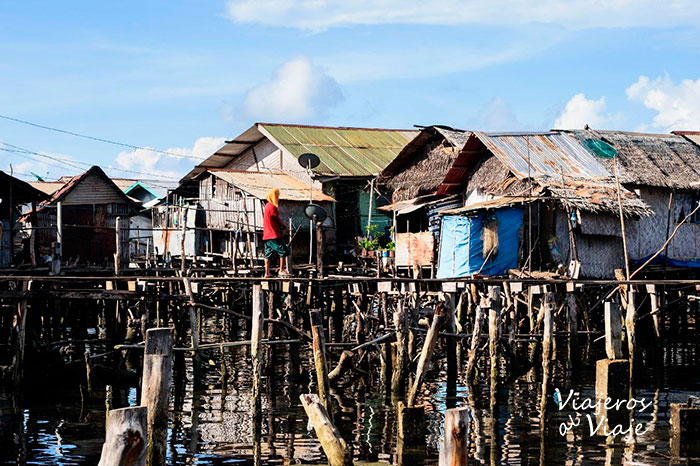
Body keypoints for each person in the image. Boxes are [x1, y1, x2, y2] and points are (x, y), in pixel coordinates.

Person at [263, 188, 290, 277]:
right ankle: (281, 270)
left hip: (266, 235)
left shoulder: (266, 206)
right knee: (283, 251)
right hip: (273, 234)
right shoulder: (272, 207)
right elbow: (277, 219)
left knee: (268, 254)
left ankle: (267, 273)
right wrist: (284, 226)